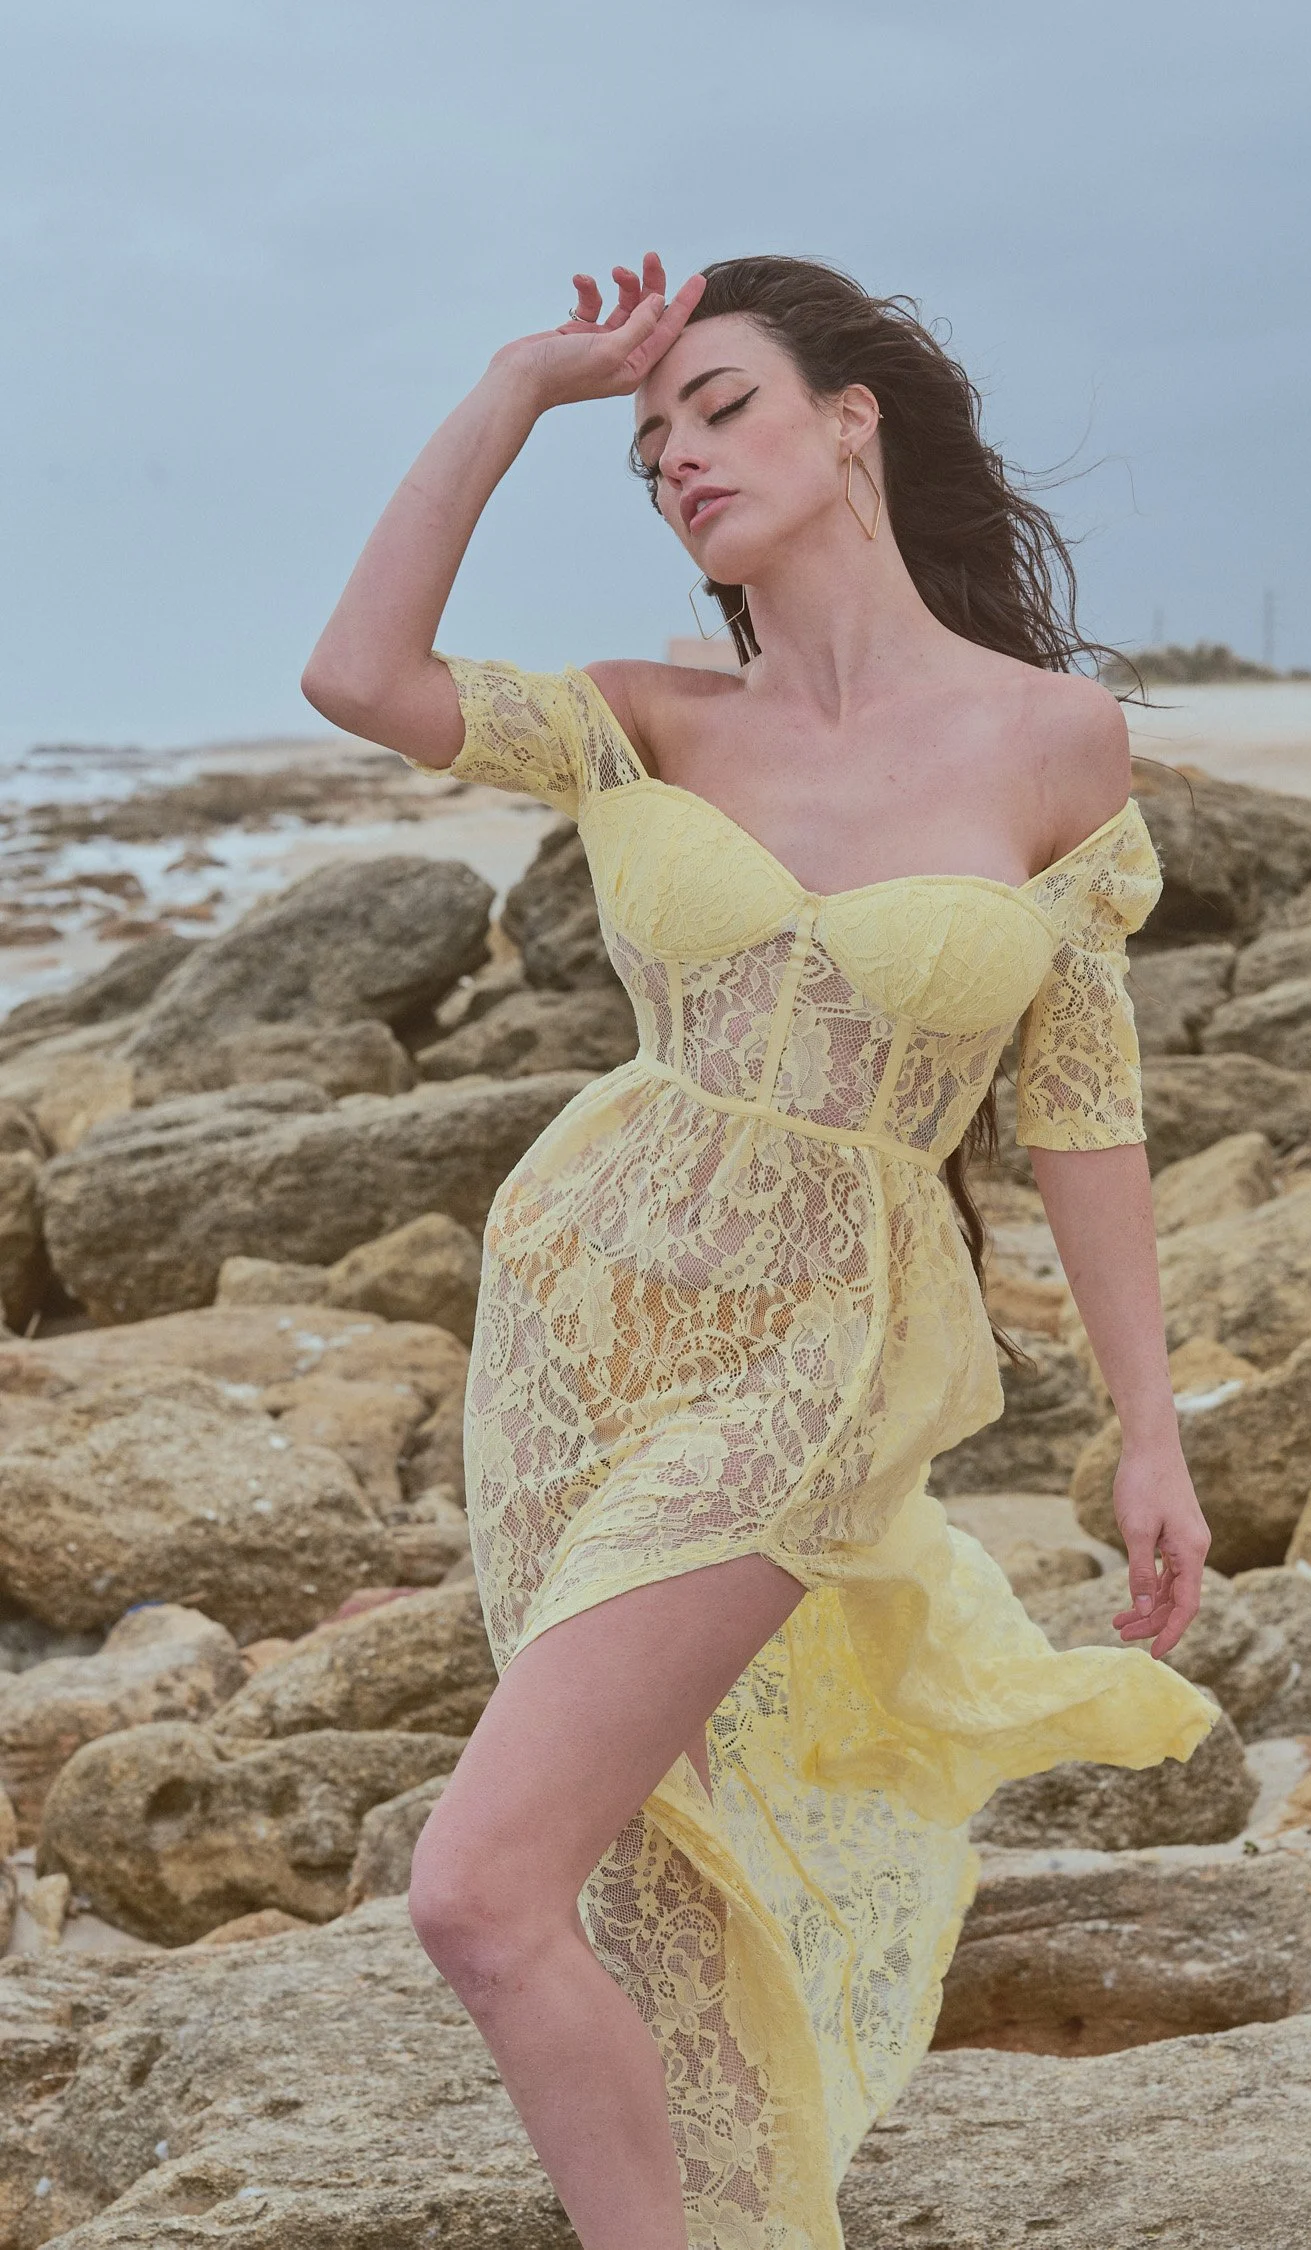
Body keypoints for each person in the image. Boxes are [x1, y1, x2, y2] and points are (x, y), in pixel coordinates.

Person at [302, 250, 1218, 2250]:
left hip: (824, 1346)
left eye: (716, 406)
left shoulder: (1054, 744)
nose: (677, 461)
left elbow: (1078, 1100)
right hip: (582, 1315)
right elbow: (361, 678)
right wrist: (514, 386)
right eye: (644, 450)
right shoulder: (645, 720)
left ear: (848, 420)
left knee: (476, 1887)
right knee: (619, 1875)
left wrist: (1150, 1426)